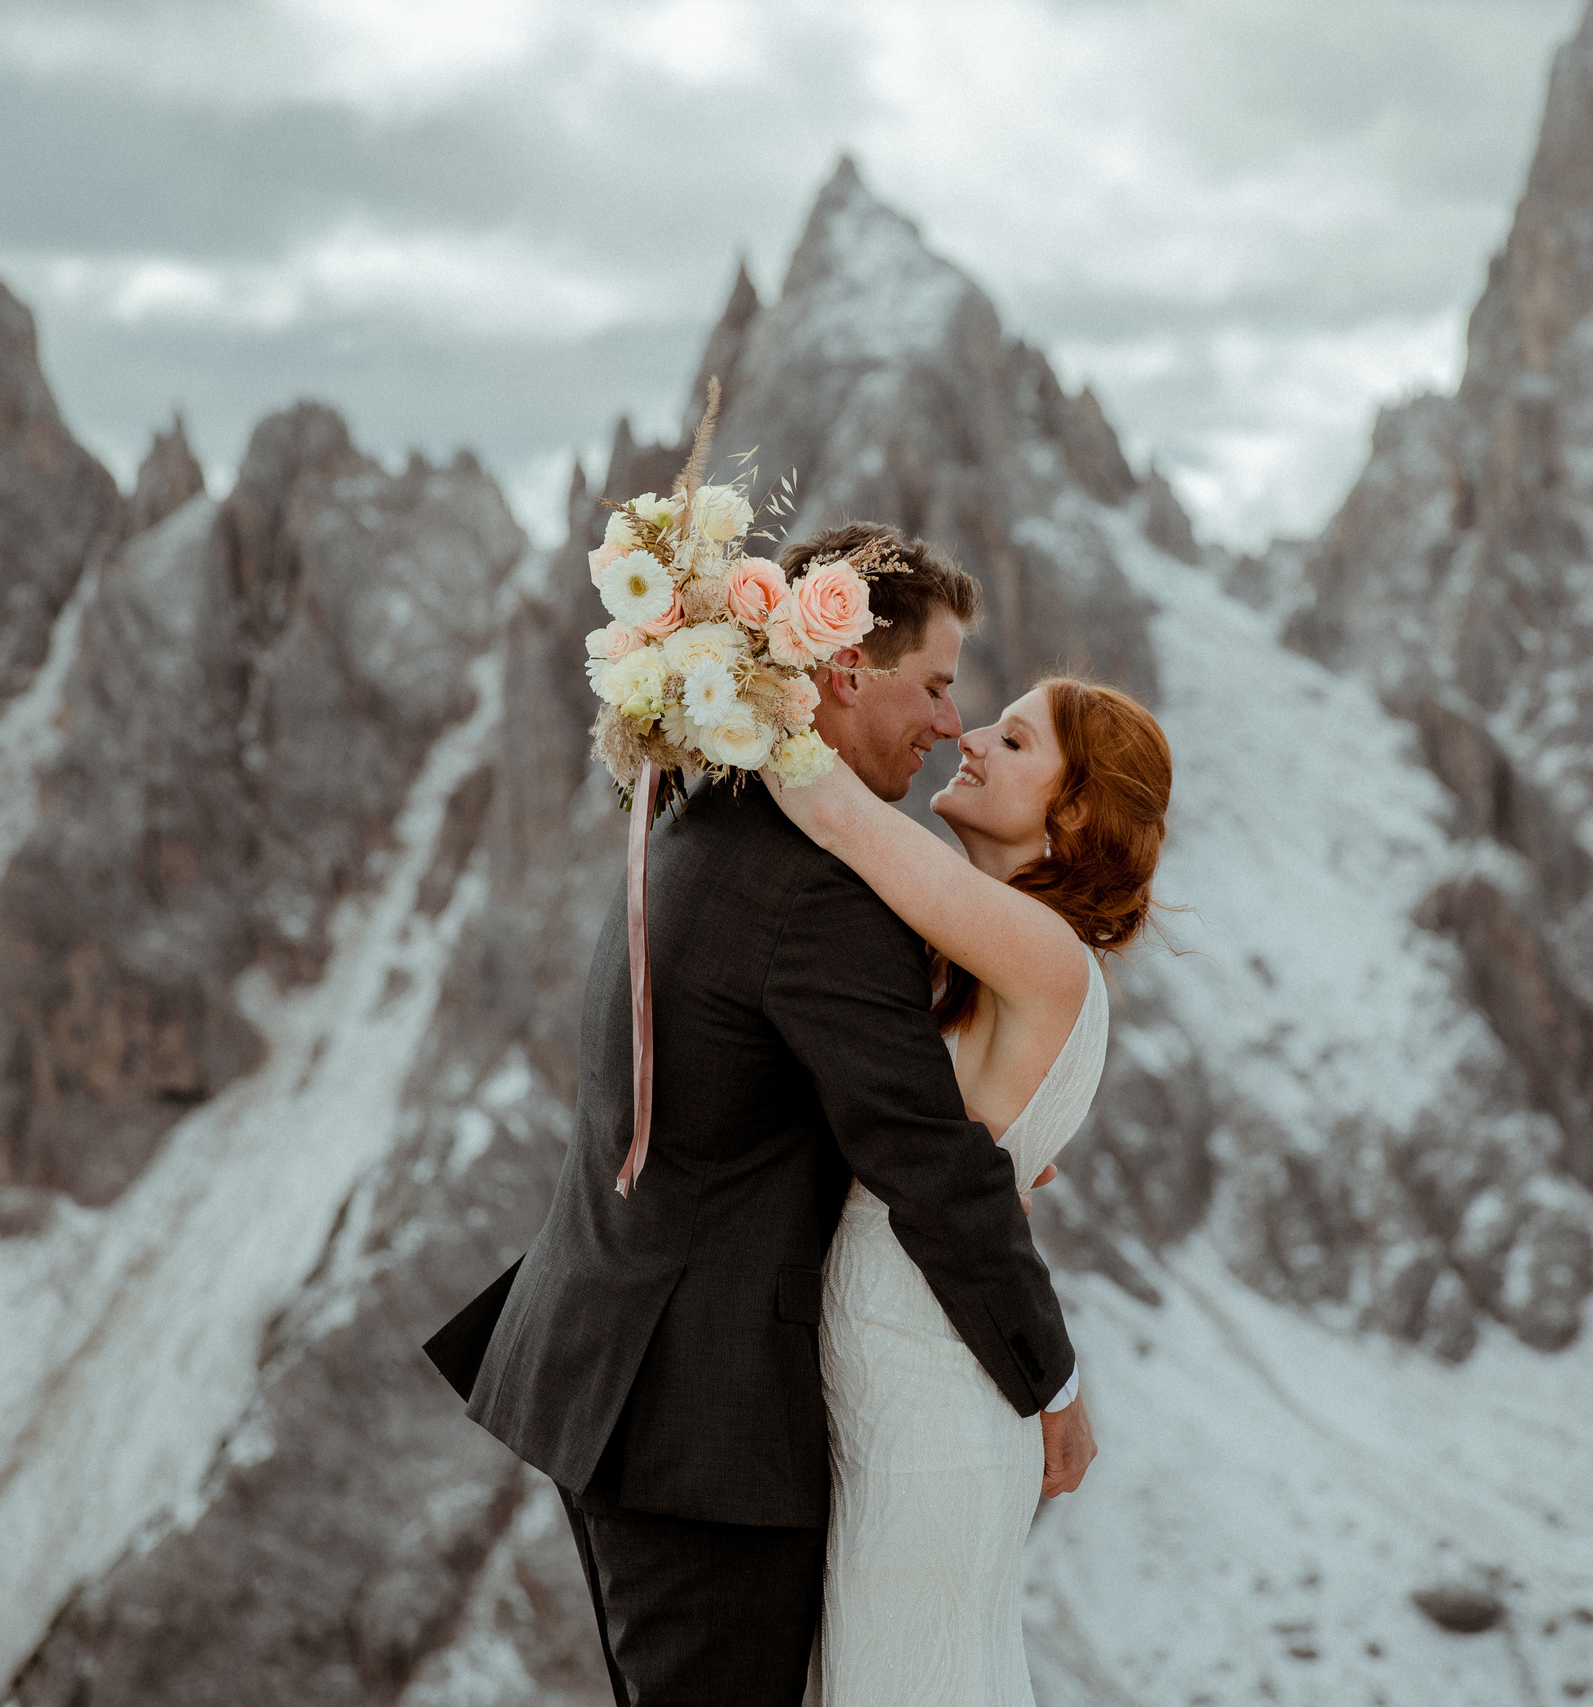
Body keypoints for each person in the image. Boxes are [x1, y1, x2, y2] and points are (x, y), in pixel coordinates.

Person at [423, 523, 1093, 1705]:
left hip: (625, 1376)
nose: (949, 723)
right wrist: (1051, 1383)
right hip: (699, 1429)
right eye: (935, 686)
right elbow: (928, 1166)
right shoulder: (819, 895)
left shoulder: (714, 818)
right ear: (844, 672)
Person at [765, 664, 1169, 1705]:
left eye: (1016, 741)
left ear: (1071, 812)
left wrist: (730, 657)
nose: (968, 736)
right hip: (915, 1387)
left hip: (924, 1417)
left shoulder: (1037, 950)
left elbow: (832, 811)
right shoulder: (1006, 960)